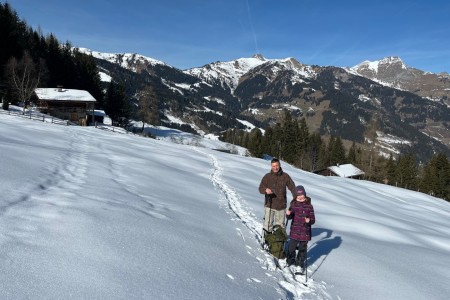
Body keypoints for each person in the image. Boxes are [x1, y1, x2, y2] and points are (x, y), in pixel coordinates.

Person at [259, 158, 296, 233]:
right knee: (267, 224)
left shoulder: (285, 176)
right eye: (273, 166)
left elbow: (293, 188)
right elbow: (260, 188)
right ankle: (267, 240)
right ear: (271, 166)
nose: (275, 168)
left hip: (281, 205)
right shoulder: (267, 176)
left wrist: (295, 199)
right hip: (269, 204)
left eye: (277, 165)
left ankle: (278, 243)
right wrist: (265, 190)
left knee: (280, 226)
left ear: (280, 165)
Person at [286, 185, 315, 274]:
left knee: (302, 250)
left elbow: (313, 220)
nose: (300, 197)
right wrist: (288, 214)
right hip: (294, 231)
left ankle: (299, 265)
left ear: (304, 194)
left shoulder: (309, 206)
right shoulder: (293, 204)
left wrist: (309, 220)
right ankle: (290, 260)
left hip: (305, 232)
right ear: (296, 196)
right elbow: (290, 217)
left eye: (302, 195)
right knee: (291, 247)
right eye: (298, 195)